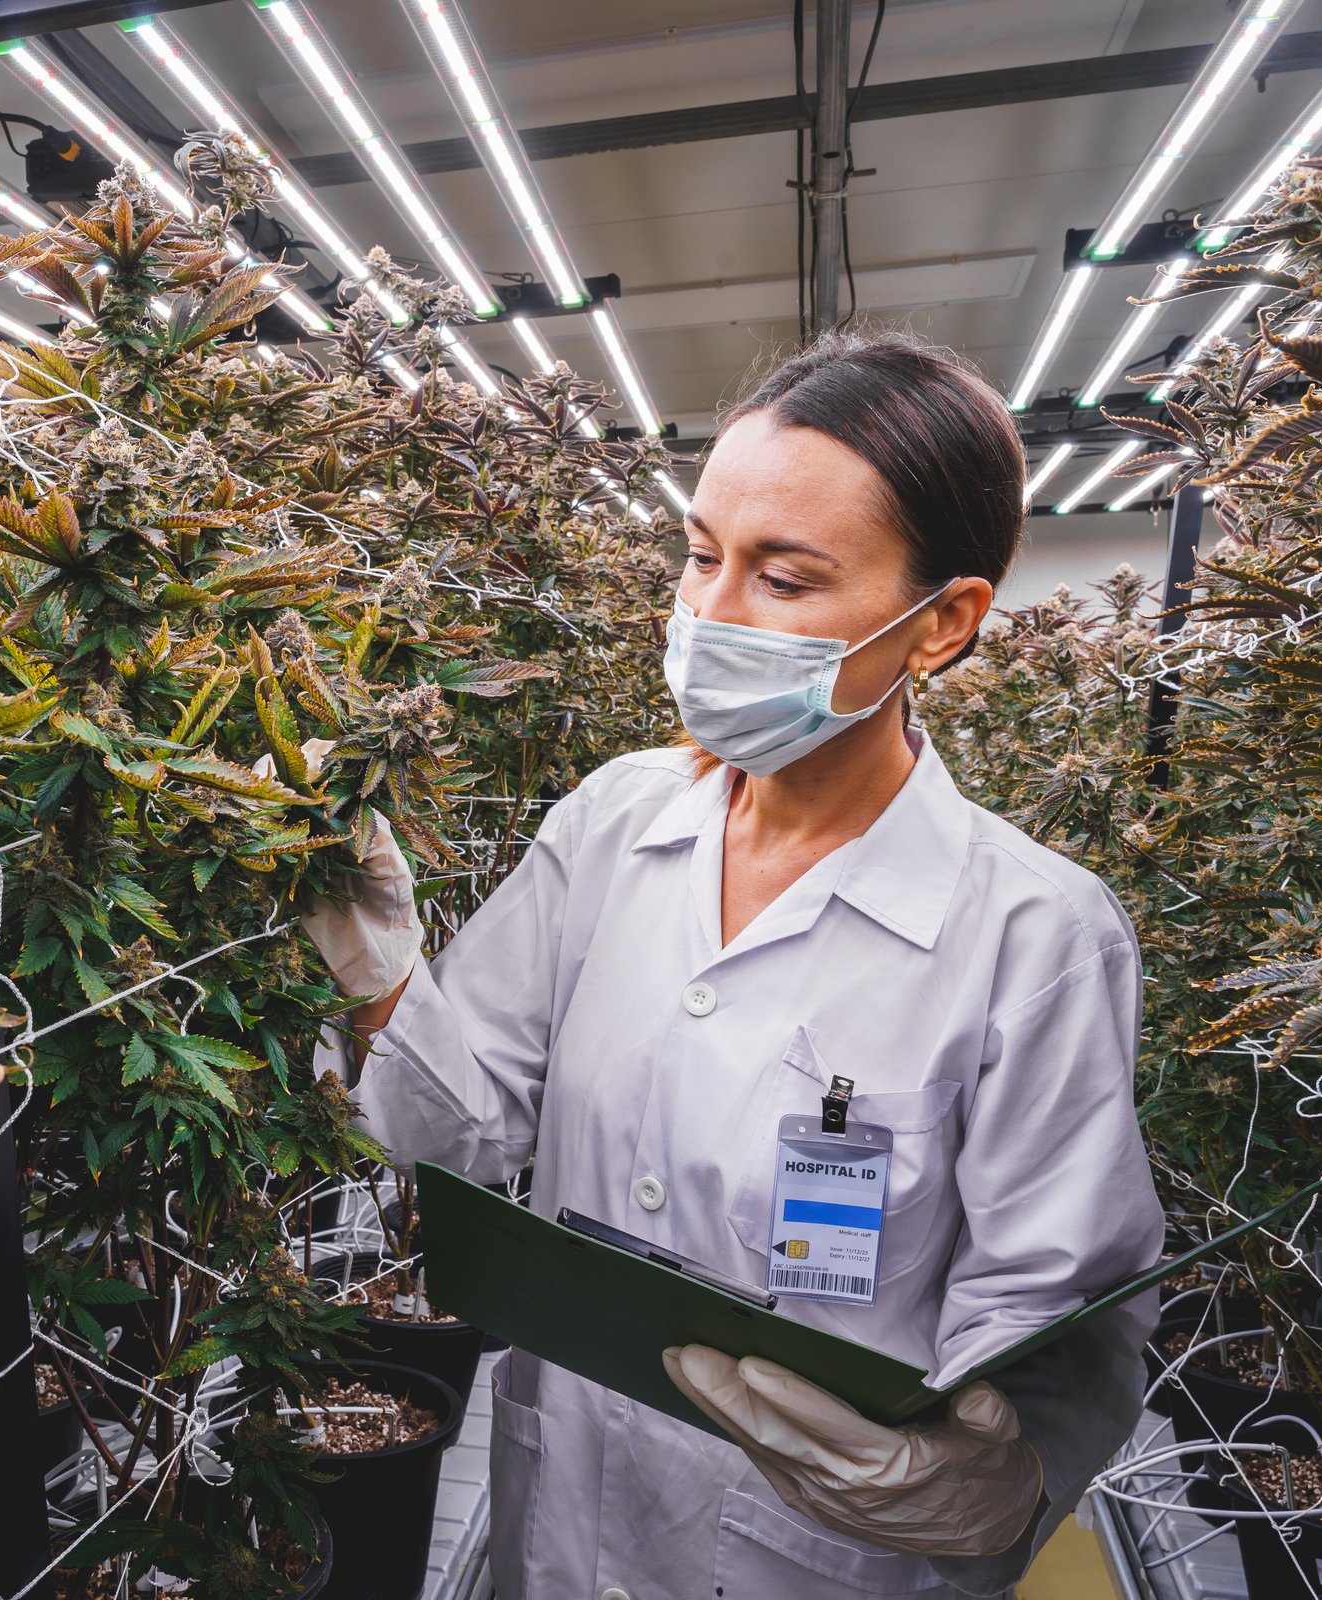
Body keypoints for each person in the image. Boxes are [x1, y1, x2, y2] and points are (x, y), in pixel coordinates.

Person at [305, 329, 1165, 1599]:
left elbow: (1057, 1309)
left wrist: (993, 1475)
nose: (710, 614)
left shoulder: (1032, 934)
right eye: (702, 555)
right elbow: (461, 1128)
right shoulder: (614, 822)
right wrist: (380, 974)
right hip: (558, 1526)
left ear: (943, 625)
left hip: (818, 1560)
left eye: (786, 578)